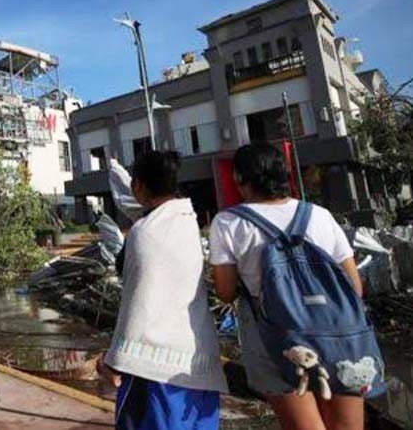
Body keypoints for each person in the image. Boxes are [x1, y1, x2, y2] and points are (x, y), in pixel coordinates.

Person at [209, 143, 366, 430]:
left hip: (277, 340)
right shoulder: (320, 215)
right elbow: (354, 287)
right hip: (338, 333)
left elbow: (226, 292)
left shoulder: (228, 223)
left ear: (240, 179)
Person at [99, 151, 227, 430]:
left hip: (154, 367)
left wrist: (114, 360)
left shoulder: (143, 232)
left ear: (138, 186)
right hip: (197, 358)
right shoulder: (187, 220)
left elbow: (138, 301)